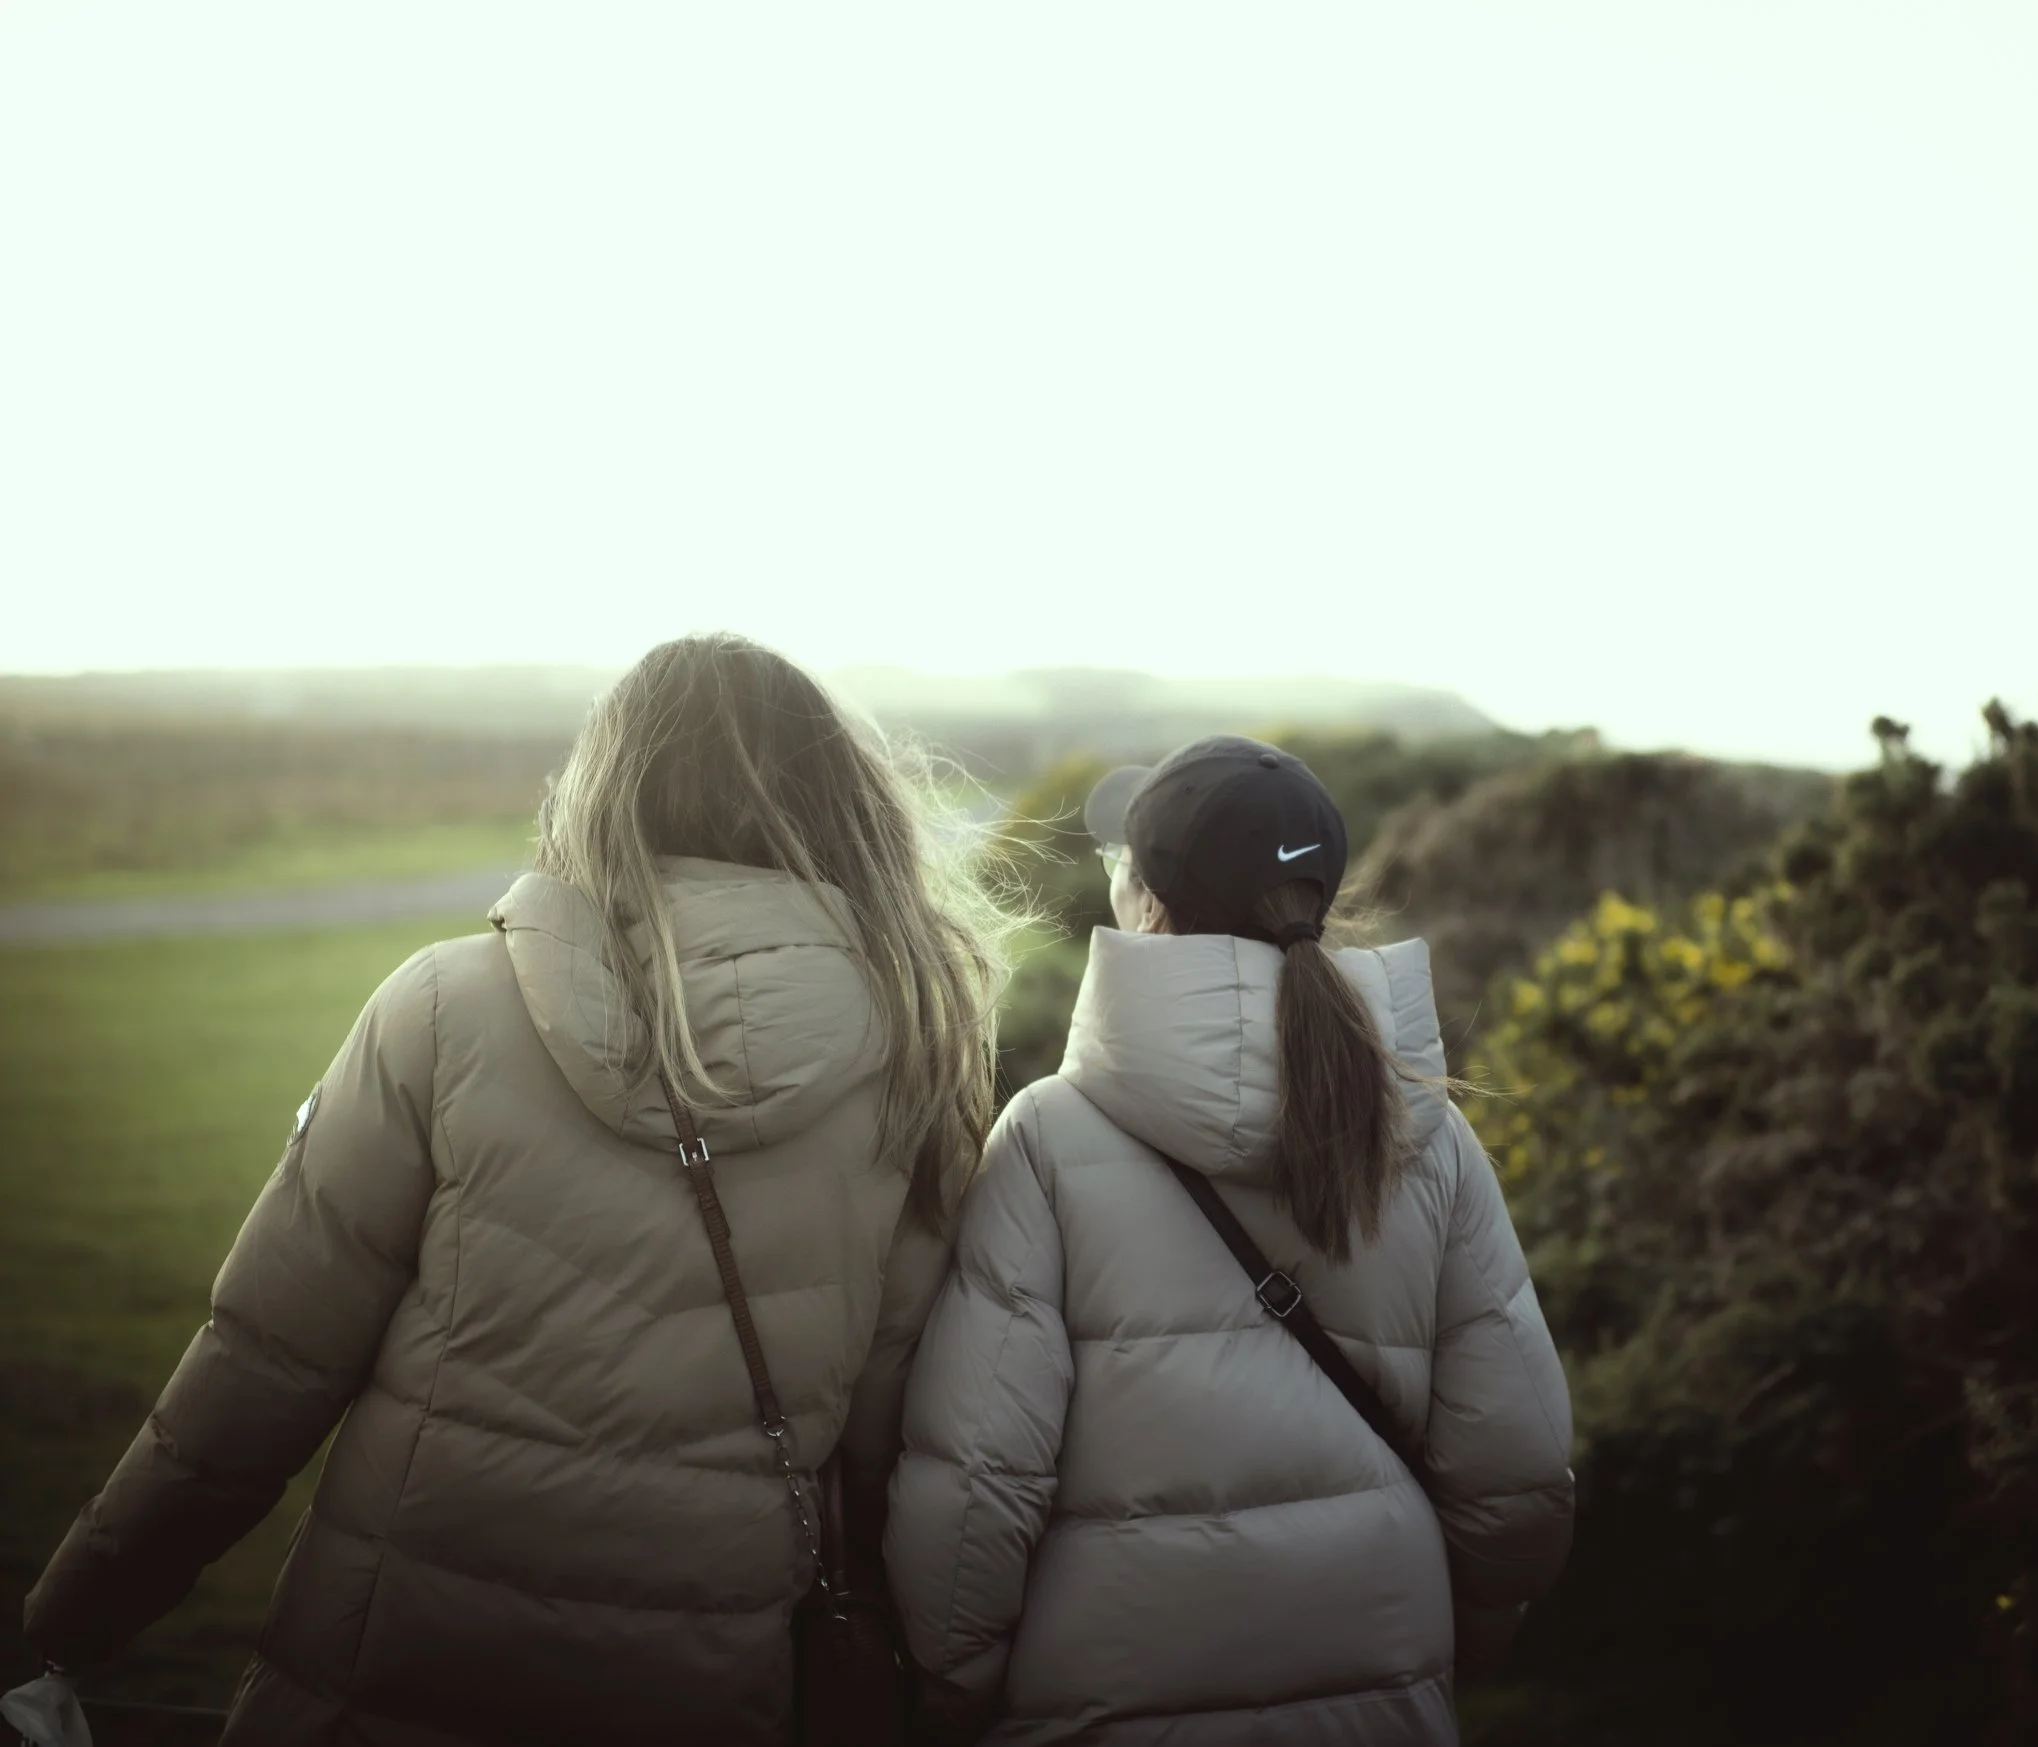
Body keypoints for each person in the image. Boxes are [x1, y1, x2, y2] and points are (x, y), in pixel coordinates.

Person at [22, 634, 1025, 1746]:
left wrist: (71, 1623)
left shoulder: (446, 1008)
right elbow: (885, 1436)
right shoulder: (920, 1055)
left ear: (604, 787)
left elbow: (261, 1368)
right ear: (845, 803)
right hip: (699, 1687)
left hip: (387, 1674)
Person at [886, 735, 1576, 1745]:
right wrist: (1442, 1651)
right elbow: (1517, 1472)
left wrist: (960, 1689)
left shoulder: (1047, 1135)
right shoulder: (1427, 1132)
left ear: (1148, 902)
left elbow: (976, 1490)